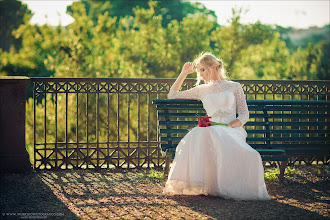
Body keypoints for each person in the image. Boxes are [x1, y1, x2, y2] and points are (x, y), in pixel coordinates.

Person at [163, 52, 271, 200]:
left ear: (213, 67)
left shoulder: (234, 87)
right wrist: (183, 73)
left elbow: (245, 114)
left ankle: (224, 185)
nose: (200, 75)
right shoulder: (201, 90)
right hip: (210, 130)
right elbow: (172, 95)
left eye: (203, 70)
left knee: (249, 154)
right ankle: (207, 184)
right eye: (198, 71)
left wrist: (233, 124)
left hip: (231, 130)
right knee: (201, 133)